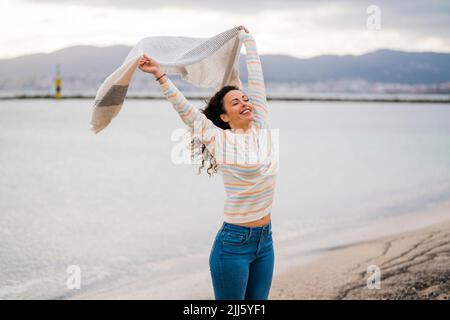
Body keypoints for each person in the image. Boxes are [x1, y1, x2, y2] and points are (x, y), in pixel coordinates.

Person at [138, 25, 278, 300]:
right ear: (224, 117)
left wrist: (249, 42)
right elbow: (186, 111)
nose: (244, 102)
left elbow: (257, 79)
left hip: (266, 241)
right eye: (235, 102)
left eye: (245, 98)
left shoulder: (262, 125)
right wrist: (159, 75)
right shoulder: (218, 140)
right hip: (234, 245)